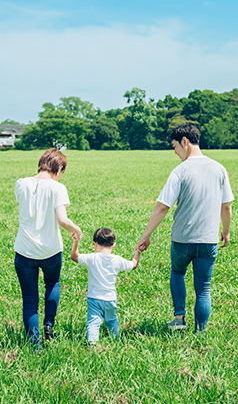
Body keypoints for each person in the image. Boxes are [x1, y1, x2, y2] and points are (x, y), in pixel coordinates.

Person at [136, 124, 233, 333]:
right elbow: (226, 206)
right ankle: (201, 331)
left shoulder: (180, 171)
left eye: (175, 147)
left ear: (185, 142)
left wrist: (146, 235)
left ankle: (179, 319)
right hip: (208, 239)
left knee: (178, 273)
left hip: (182, 239)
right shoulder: (219, 168)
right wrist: (225, 231)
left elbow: (163, 206)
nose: (175, 152)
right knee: (203, 288)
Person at [13, 148, 82, 347]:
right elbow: (62, 219)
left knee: (29, 300)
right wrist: (77, 230)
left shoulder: (21, 184)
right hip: (50, 251)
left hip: (24, 251)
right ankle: (49, 325)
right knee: (52, 284)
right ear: (59, 168)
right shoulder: (57, 188)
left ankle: (35, 345)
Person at [71, 227, 141, 345]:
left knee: (93, 321)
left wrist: (76, 242)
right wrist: (137, 252)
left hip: (94, 298)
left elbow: (75, 257)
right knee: (112, 320)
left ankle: (92, 343)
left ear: (95, 244)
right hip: (110, 299)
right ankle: (116, 340)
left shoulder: (92, 258)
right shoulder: (117, 260)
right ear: (113, 245)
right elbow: (133, 265)